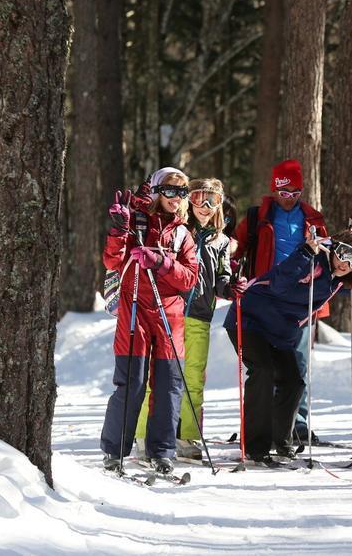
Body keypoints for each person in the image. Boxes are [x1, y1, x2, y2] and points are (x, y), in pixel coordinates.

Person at [223, 227, 352, 463]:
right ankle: (255, 445)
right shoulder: (314, 262)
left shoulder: (338, 279)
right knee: (263, 372)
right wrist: (304, 252)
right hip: (250, 319)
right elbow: (279, 284)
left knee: (293, 380)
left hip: (280, 331)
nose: (345, 263)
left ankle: (281, 440)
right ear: (332, 249)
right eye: (343, 253)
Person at [100, 167, 199, 474]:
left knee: (169, 385)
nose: (176, 198)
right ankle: (115, 452)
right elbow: (112, 260)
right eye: (170, 190)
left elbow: (189, 278)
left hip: (170, 315)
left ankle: (162, 451)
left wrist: (162, 261)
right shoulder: (137, 221)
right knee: (132, 382)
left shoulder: (183, 233)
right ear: (157, 190)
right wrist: (118, 231)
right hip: (135, 311)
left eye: (182, 192)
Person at [135, 178, 234, 460]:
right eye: (199, 197)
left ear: (219, 204)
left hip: (201, 316)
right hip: (172, 311)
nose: (205, 205)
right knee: (161, 375)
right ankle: (144, 435)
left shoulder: (221, 240)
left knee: (193, 379)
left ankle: (186, 436)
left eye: (212, 200)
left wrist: (230, 287)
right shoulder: (180, 231)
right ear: (188, 200)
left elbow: (222, 277)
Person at [232, 159, 329, 446]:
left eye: (294, 193)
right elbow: (236, 247)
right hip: (265, 300)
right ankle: (265, 422)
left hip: (299, 302)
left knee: (297, 364)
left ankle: (296, 423)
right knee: (265, 366)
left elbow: (326, 254)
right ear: (274, 189)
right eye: (283, 193)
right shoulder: (257, 216)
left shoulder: (313, 219)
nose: (288, 199)